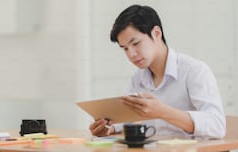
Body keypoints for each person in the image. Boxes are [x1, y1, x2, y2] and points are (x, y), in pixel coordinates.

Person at [89, 4, 226, 139]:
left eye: (136, 43)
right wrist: (109, 128)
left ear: (156, 33)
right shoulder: (138, 78)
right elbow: (128, 118)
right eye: (125, 48)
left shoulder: (194, 70)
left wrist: (162, 111)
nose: (131, 54)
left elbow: (217, 126)